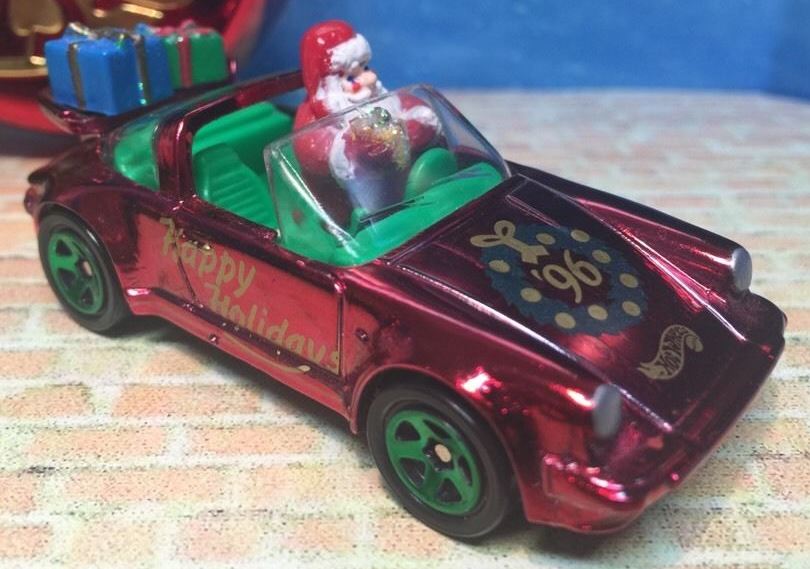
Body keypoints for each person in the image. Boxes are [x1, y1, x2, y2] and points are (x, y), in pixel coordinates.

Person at [292, 20, 441, 217]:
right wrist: (359, 148)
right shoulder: (317, 119)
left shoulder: (379, 97)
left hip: (409, 190)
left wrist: (416, 124)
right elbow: (313, 151)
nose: (369, 79)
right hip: (350, 207)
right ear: (330, 83)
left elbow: (413, 109)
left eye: (365, 67)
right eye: (351, 77)